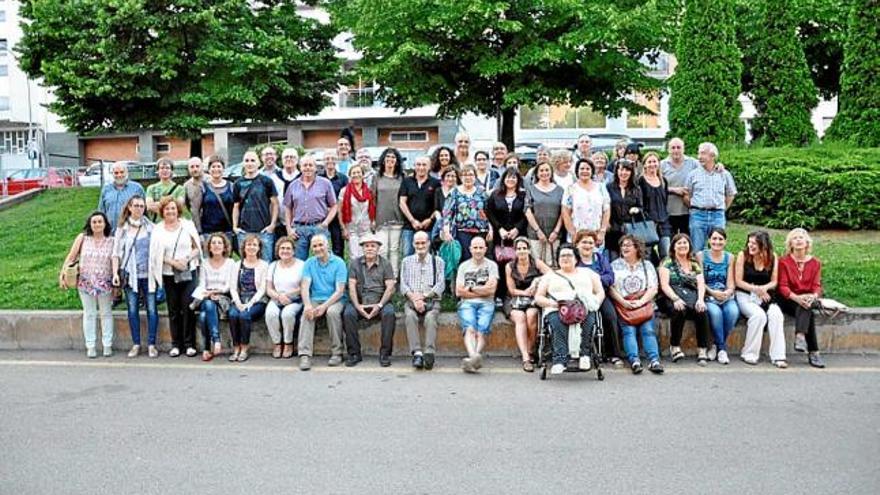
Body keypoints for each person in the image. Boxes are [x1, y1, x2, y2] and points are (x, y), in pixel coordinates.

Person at [534, 243, 604, 375]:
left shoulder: (588, 273)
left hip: (583, 307)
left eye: (569, 255)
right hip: (557, 308)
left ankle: (585, 355)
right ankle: (559, 359)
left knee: (589, 319)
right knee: (557, 321)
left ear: (576, 258)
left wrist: (595, 303)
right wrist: (552, 303)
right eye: (562, 256)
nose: (565, 258)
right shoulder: (550, 276)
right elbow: (538, 297)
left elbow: (600, 292)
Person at [149, 197, 201, 358]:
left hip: (188, 271)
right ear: (162, 211)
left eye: (173, 208)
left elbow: (197, 248)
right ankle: (176, 344)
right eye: (167, 209)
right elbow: (155, 254)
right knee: (173, 310)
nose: (170, 211)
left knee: (188, 308)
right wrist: (173, 262)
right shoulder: (157, 229)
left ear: (178, 210)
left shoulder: (187, 225)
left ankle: (189, 344)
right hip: (168, 274)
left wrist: (186, 260)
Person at [60, 211, 115, 358]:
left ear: (105, 224)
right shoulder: (83, 239)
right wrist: (62, 274)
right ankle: (90, 345)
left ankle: (107, 344)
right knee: (89, 314)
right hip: (85, 283)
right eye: (94, 222)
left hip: (105, 283)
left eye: (100, 222)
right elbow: (71, 258)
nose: (97, 224)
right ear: (90, 224)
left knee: (106, 314)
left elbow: (116, 262)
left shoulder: (112, 241)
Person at [111, 196, 158, 358]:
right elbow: (116, 253)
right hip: (130, 276)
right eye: (135, 206)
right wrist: (115, 273)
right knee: (132, 310)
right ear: (129, 208)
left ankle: (152, 344)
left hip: (149, 275)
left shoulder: (152, 228)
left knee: (152, 309)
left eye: (141, 206)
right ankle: (136, 343)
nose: (139, 208)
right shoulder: (121, 229)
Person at [609, 235, 663, 374]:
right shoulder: (615, 265)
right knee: (629, 331)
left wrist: (641, 301)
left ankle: (654, 360)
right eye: (623, 245)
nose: (624, 248)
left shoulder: (647, 265)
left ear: (637, 248)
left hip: (644, 303)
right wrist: (623, 302)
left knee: (648, 331)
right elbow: (611, 288)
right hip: (623, 304)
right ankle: (634, 361)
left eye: (628, 245)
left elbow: (653, 288)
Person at [342, 235, 397, 367]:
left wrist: (379, 305)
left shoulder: (386, 264)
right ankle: (354, 353)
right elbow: (351, 287)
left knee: (389, 313)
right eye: (366, 246)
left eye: (373, 246)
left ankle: (385, 353)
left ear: (378, 248)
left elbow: (390, 288)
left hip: (380, 301)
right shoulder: (354, 264)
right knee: (348, 314)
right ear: (362, 248)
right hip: (359, 301)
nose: (370, 248)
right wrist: (357, 306)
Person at [735, 230, 786, 367]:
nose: (750, 246)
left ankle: (778, 356)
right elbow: (738, 282)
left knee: (776, 315)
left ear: (763, 245)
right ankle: (749, 353)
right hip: (745, 294)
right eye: (749, 242)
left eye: (754, 244)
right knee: (759, 316)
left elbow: (774, 282)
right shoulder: (743, 255)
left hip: (765, 295)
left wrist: (763, 289)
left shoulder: (773, 257)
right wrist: (756, 289)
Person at [658, 233, 711, 365]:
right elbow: (664, 285)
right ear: (674, 247)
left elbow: (700, 283)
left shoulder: (694, 263)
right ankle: (674, 346)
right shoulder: (667, 262)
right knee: (679, 310)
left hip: (690, 295)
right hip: (670, 295)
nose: (682, 245)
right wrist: (675, 299)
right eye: (679, 243)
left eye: (685, 243)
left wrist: (700, 299)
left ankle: (702, 349)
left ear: (689, 246)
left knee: (702, 311)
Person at [298, 234, 348, 371]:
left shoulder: (339, 263)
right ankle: (305, 355)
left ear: (328, 245)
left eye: (321, 245)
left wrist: (324, 307)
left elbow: (339, 291)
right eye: (314, 246)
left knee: (332, 313)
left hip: (335, 299)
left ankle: (337, 353)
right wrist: (308, 305)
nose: (318, 248)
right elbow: (305, 287)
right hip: (316, 298)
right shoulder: (309, 263)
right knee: (306, 314)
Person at [575, 229, 624, 368]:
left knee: (610, 317)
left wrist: (594, 279)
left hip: (600, 294)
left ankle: (614, 354)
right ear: (577, 244)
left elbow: (610, 277)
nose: (588, 245)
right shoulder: (574, 259)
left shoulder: (600, 258)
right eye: (584, 242)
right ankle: (583, 352)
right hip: (579, 297)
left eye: (591, 243)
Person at [778, 228, 826, 368]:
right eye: (795, 238)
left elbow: (817, 286)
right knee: (806, 308)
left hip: (807, 300)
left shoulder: (815, 263)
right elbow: (783, 286)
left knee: (807, 306)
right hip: (788, 299)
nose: (798, 240)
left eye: (801, 237)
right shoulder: (784, 262)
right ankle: (814, 352)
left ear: (807, 243)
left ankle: (800, 336)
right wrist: (798, 298)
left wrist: (813, 296)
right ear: (790, 243)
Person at [400, 231, 446, 370]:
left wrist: (424, 297)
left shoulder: (438, 261)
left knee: (431, 318)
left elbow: (440, 284)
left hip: (431, 300)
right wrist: (414, 298)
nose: (420, 246)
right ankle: (417, 353)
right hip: (412, 300)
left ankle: (429, 353)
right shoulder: (406, 262)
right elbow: (403, 284)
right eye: (417, 243)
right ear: (413, 244)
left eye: (423, 243)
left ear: (428, 243)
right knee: (409, 316)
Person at [505, 237, 551, 372]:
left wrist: (536, 282)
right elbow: (511, 290)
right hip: (515, 298)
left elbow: (552, 275)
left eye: (524, 248)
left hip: (533, 299)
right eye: (518, 249)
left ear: (529, 250)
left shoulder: (536, 263)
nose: (522, 251)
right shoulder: (510, 266)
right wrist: (526, 292)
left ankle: (531, 350)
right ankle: (526, 357)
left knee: (531, 315)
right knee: (520, 317)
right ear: (515, 251)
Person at [455, 237, 499, 373]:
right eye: (475, 248)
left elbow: (492, 290)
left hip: (487, 304)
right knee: (470, 329)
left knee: (481, 331)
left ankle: (472, 358)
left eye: (481, 247)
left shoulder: (492, 265)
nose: (478, 250)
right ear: (470, 249)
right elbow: (458, 292)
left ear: (486, 249)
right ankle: (474, 357)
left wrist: (470, 289)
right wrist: (482, 291)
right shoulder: (463, 266)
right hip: (467, 304)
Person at [696, 227, 739, 365]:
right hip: (708, 294)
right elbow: (700, 280)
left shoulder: (730, 257)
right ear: (709, 240)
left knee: (733, 312)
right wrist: (713, 292)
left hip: (725, 295)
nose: (717, 242)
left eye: (720, 239)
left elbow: (731, 283)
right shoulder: (701, 256)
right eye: (714, 238)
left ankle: (715, 345)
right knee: (715, 314)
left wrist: (727, 292)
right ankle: (722, 349)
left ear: (725, 241)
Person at [283, 155, 337, 261]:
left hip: (319, 227)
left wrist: (326, 223)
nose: (308, 168)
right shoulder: (293, 185)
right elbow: (288, 208)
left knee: (324, 259)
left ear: (315, 168)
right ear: (300, 167)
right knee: (298, 261)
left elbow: (334, 205)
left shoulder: (325, 183)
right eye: (305, 165)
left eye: (310, 165)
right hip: (299, 230)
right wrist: (289, 228)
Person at [686, 142, 737, 252]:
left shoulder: (724, 174)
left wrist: (722, 209)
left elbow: (731, 194)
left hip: (717, 215)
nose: (699, 157)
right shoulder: (692, 174)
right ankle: (699, 269)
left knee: (717, 248)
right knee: (697, 249)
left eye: (703, 153)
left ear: (713, 156)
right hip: (698, 215)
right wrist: (694, 208)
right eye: (699, 153)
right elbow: (687, 194)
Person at [192, 233, 235, 362]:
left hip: (223, 298)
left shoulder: (231, 263)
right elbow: (202, 284)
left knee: (203, 316)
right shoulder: (204, 263)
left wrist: (217, 291)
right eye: (213, 243)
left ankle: (207, 348)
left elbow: (229, 285)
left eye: (219, 243)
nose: (216, 245)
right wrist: (209, 293)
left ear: (225, 247)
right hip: (207, 297)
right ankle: (216, 340)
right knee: (208, 304)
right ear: (209, 247)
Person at [486, 168, 528, 297]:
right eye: (508, 177)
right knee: (500, 264)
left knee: (517, 263)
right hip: (501, 236)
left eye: (514, 177)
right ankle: (500, 294)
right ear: (503, 179)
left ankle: (515, 293)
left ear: (518, 180)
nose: (511, 180)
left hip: (518, 235)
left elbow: (526, 214)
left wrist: (517, 229)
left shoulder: (523, 195)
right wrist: (499, 229)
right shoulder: (495, 194)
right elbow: (490, 213)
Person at [227, 235, 268, 363]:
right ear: (244, 248)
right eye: (248, 245)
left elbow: (262, 289)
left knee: (244, 316)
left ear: (259, 248)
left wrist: (250, 303)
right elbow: (233, 287)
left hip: (257, 300)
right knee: (233, 314)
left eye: (254, 245)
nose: (251, 247)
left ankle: (244, 348)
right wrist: (238, 302)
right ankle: (236, 347)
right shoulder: (237, 264)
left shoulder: (264, 265)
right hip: (240, 298)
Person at [232, 151, 279, 262]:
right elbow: (236, 206)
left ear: (258, 163)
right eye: (247, 160)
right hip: (244, 231)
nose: (249, 163)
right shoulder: (238, 183)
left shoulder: (266, 181)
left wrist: (272, 225)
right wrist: (235, 226)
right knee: (247, 264)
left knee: (266, 263)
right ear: (243, 163)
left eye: (252, 160)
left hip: (264, 231)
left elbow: (275, 204)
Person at [265, 236, 305, 359]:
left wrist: (287, 296)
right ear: (278, 251)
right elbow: (268, 288)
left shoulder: (301, 265)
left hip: (295, 299)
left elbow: (303, 287)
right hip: (277, 298)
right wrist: (278, 296)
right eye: (282, 248)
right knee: (270, 314)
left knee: (287, 314)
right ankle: (277, 343)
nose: (285, 251)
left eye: (288, 248)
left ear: (293, 251)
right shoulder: (273, 266)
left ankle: (288, 343)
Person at [441, 165, 492, 262]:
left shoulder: (482, 192)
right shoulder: (454, 192)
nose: (468, 177)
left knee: (481, 258)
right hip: (462, 232)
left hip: (481, 231)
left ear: (475, 177)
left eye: (471, 175)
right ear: (460, 177)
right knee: (465, 258)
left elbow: (488, 212)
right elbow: (447, 213)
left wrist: (491, 228)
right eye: (465, 175)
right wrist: (446, 230)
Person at [372, 147, 405, 274]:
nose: (390, 160)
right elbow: (373, 199)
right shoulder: (377, 177)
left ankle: (394, 277)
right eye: (388, 157)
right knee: (382, 250)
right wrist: (373, 219)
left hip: (397, 219)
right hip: (381, 220)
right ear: (383, 160)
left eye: (393, 157)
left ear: (397, 161)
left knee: (394, 250)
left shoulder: (401, 177)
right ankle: (383, 277)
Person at [399, 155, 440, 258]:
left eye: (424, 165)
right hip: (409, 226)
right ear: (414, 166)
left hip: (429, 227)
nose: (421, 167)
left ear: (429, 167)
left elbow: (438, 205)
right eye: (418, 164)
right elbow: (402, 202)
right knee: (407, 255)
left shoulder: (435, 183)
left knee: (428, 256)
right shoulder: (407, 181)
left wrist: (430, 219)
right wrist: (412, 221)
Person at [561, 158, 610, 245]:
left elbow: (606, 210)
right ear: (577, 171)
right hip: (577, 236)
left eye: (588, 169)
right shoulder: (570, 189)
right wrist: (573, 233)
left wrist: (602, 232)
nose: (585, 171)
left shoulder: (601, 188)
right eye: (582, 169)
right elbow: (565, 212)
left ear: (592, 171)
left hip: (596, 235)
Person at [524, 161, 564, 266]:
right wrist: (538, 231)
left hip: (554, 234)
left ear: (551, 172)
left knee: (553, 263)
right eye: (541, 170)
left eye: (547, 170)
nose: (544, 173)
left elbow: (563, 212)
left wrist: (556, 231)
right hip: (535, 233)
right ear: (537, 173)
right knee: (537, 264)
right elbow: (528, 211)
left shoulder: (560, 190)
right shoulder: (531, 190)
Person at [660, 137, 699, 237]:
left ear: (683, 149)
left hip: (688, 211)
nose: (676, 150)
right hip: (668, 211)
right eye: (673, 148)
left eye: (678, 147)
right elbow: (656, 187)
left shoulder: (693, 163)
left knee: (687, 242)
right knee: (671, 243)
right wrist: (673, 190)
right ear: (668, 150)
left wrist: (719, 166)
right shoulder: (662, 165)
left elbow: (707, 170)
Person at [606, 159, 644, 259]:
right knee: (614, 257)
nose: (624, 173)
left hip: (630, 229)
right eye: (621, 170)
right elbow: (605, 206)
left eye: (627, 170)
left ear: (631, 173)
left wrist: (636, 209)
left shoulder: (636, 189)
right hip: (613, 229)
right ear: (616, 171)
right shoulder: (609, 187)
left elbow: (641, 207)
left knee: (630, 257)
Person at [639, 152, 672, 263]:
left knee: (665, 252)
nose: (652, 164)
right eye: (649, 162)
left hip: (664, 222)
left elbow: (665, 201)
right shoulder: (640, 181)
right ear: (644, 165)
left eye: (655, 161)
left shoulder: (663, 181)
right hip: (647, 223)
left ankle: (664, 277)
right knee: (647, 254)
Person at [338, 164, 376, 260]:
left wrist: (373, 222)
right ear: (350, 176)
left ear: (362, 175)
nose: (356, 175)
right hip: (352, 229)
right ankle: (354, 275)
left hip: (366, 228)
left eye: (358, 172)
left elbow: (372, 207)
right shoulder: (344, 191)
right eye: (353, 173)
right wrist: (343, 228)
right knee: (354, 256)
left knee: (367, 255)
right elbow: (340, 211)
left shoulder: (369, 191)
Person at [98, 162, 145, 234]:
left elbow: (144, 211)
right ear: (112, 174)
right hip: (110, 232)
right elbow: (101, 211)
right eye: (116, 173)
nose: (119, 175)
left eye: (122, 172)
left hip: (130, 232)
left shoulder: (137, 188)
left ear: (127, 173)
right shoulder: (106, 189)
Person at [199, 155, 234, 245]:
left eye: (219, 166)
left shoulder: (231, 186)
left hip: (227, 231)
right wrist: (199, 232)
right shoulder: (203, 187)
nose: (216, 169)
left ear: (223, 169)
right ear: (209, 169)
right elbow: (196, 209)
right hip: (208, 231)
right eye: (213, 167)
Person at [321, 151, 349, 258]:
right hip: (322, 217)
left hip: (338, 218)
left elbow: (346, 198)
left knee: (338, 247)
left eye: (332, 158)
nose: (330, 161)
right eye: (327, 159)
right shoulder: (318, 177)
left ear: (336, 160)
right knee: (321, 245)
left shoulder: (343, 178)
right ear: (323, 161)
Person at [145, 158, 186, 222]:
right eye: (162, 168)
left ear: (172, 171)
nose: (164, 170)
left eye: (167, 168)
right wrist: (170, 202)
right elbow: (150, 206)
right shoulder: (151, 188)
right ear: (157, 171)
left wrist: (158, 203)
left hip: (174, 224)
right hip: (156, 224)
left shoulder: (180, 188)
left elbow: (179, 206)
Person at [260, 146, 288, 241]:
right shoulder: (258, 175)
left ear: (276, 156)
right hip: (264, 218)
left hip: (282, 219)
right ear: (261, 158)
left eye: (271, 154)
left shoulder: (283, 173)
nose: (269, 157)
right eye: (266, 154)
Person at [431, 167, 459, 249]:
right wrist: (442, 224)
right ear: (443, 178)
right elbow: (436, 209)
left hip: (454, 224)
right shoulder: (438, 191)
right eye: (448, 176)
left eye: (453, 176)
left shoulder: (458, 191)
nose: (450, 178)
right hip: (440, 223)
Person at [183, 157, 205, 234]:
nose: (195, 169)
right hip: (196, 227)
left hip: (213, 226)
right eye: (192, 167)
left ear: (202, 166)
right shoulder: (186, 186)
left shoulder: (210, 181)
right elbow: (186, 206)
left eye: (197, 166)